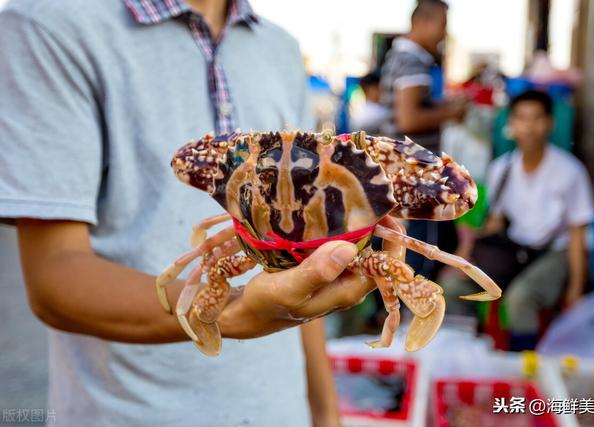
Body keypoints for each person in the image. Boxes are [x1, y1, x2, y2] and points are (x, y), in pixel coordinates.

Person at [0, 1, 404, 425]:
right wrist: (230, 309)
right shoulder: (48, 25)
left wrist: (324, 413)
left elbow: (307, 268)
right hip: (130, 411)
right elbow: (55, 276)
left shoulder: (279, 47)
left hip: (281, 408)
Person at [443, 90, 594, 351]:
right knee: (451, 284)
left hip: (555, 253)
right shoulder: (501, 169)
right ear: (511, 125)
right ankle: (468, 352)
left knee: (520, 299)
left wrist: (575, 289)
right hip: (515, 250)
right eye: (521, 119)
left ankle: (521, 367)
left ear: (550, 123)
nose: (529, 127)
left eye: (536, 118)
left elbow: (578, 235)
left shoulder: (570, 171)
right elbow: (496, 222)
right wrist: (465, 255)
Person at [379, 0, 462, 280]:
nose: (444, 34)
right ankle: (406, 312)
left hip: (401, 169)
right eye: (443, 25)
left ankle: (389, 309)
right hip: (415, 172)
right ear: (423, 23)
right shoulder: (412, 61)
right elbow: (409, 119)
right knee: (415, 250)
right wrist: (453, 111)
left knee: (394, 243)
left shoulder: (400, 57)